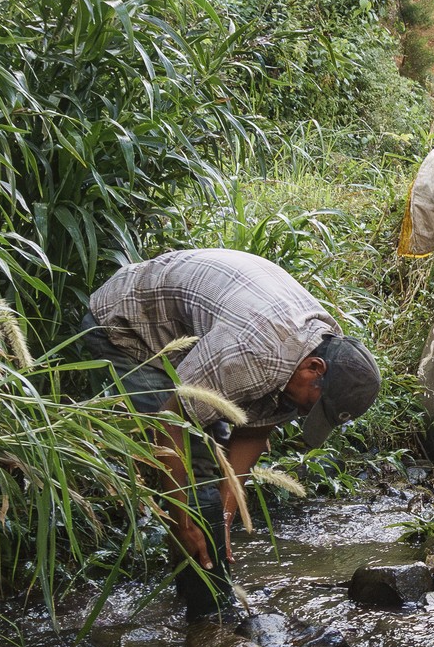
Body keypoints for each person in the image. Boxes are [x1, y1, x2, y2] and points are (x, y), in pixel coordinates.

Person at [81, 248, 380, 618]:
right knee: (195, 484)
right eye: (311, 406)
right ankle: (208, 616)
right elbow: (168, 425)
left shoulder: (317, 350)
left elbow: (253, 434)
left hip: (198, 340)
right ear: (313, 368)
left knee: (208, 505)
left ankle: (195, 584)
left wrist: (223, 521)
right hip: (129, 325)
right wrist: (183, 521)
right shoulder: (254, 356)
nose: (303, 414)